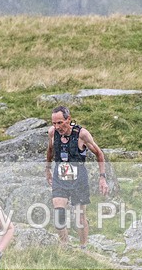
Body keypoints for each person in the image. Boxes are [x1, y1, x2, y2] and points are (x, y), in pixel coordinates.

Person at [45, 105, 109, 248]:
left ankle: (83, 247)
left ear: (68, 119)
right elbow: (50, 150)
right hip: (60, 176)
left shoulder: (82, 134)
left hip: (79, 178)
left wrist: (102, 177)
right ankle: (65, 245)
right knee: (58, 212)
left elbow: (99, 154)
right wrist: (48, 169)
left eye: (60, 123)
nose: (57, 127)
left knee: (79, 217)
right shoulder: (52, 133)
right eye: (54, 123)